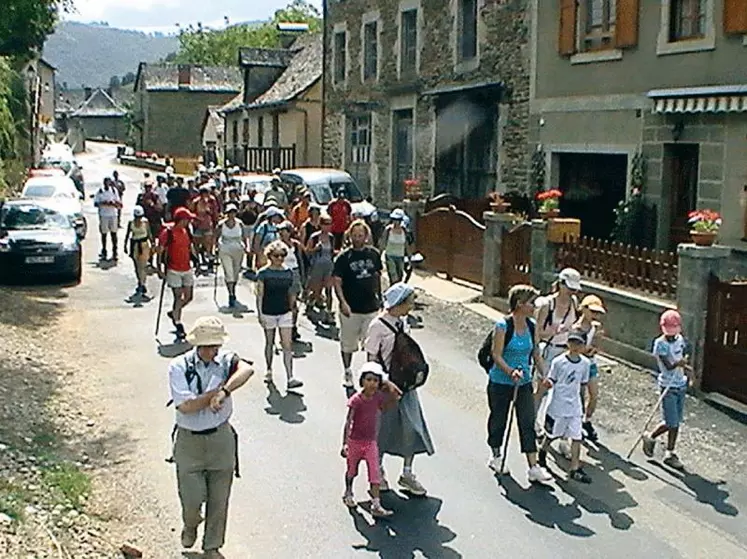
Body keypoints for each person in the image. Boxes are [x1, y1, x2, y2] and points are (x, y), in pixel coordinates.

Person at [168, 316, 254, 559]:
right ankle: (191, 524)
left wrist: (226, 391)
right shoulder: (179, 366)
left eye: (215, 345)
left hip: (220, 439)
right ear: (197, 345)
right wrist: (213, 395)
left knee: (220, 498)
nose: (211, 351)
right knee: (192, 498)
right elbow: (186, 405)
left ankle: (212, 546)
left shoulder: (226, 361)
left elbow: (247, 369)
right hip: (189, 441)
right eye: (207, 346)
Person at [365, 282, 432, 495]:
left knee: (412, 428)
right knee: (382, 430)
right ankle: (379, 470)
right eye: (409, 301)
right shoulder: (377, 326)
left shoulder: (403, 324)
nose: (412, 305)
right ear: (399, 303)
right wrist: (384, 383)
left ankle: (407, 473)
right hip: (386, 387)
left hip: (406, 386)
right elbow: (372, 359)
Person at [487, 284, 553, 483]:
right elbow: (496, 355)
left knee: (527, 421)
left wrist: (544, 375)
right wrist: (510, 371)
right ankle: (496, 454)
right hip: (500, 382)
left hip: (523, 383)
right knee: (499, 419)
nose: (534, 307)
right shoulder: (502, 326)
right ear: (520, 304)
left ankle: (533, 467)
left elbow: (535, 354)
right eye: (531, 303)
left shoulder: (532, 326)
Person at [536, 328, 592, 483]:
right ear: (567, 343)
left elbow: (582, 385)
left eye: (578, 343)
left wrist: (581, 405)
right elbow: (552, 380)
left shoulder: (585, 364)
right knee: (552, 434)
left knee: (576, 436)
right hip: (558, 405)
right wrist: (544, 386)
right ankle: (543, 451)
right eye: (572, 342)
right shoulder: (558, 362)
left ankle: (574, 468)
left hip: (574, 407)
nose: (575, 346)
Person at [341, 361, 397, 517]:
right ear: (362, 381)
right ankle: (348, 492)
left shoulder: (378, 398)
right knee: (352, 470)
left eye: (375, 380)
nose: (372, 384)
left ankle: (376, 504)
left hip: (371, 442)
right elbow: (348, 422)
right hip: (355, 441)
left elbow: (395, 397)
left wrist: (386, 383)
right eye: (369, 380)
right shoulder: (356, 400)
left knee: (375, 472)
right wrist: (345, 443)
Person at [333, 220, 383, 387]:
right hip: (351, 309)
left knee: (372, 344)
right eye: (354, 235)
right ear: (350, 236)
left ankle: (370, 375)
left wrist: (380, 297)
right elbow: (337, 282)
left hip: (371, 307)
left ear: (366, 236)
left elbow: (377, 276)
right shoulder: (343, 258)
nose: (357, 238)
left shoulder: (373, 255)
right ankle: (347, 370)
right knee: (348, 343)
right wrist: (342, 302)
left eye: (360, 235)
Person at [642, 310, 691, 471]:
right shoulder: (660, 344)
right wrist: (680, 363)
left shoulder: (680, 340)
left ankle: (665, 448)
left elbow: (685, 353)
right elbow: (668, 365)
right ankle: (658, 442)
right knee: (672, 421)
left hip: (680, 384)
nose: (671, 335)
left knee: (675, 421)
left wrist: (689, 372)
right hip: (667, 385)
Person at [535, 267, 581, 435]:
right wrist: (555, 331)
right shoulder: (548, 304)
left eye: (574, 288)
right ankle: (532, 421)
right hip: (549, 349)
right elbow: (538, 332)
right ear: (561, 284)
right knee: (542, 387)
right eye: (570, 287)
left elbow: (576, 324)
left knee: (561, 391)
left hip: (566, 352)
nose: (572, 291)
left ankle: (553, 426)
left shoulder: (575, 303)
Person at [256, 240, 303, 390]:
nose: (280, 258)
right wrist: (260, 313)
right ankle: (269, 370)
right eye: (276, 255)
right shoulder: (263, 273)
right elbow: (260, 295)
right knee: (269, 342)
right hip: (269, 311)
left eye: (282, 255)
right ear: (270, 256)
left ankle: (290, 377)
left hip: (285, 312)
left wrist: (293, 308)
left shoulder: (288, 272)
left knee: (287, 344)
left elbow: (291, 293)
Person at [157, 207, 198, 342]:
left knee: (189, 296)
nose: (189, 221)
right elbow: (160, 250)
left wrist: (195, 259)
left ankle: (174, 312)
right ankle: (178, 323)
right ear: (181, 220)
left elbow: (189, 246)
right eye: (187, 219)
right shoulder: (167, 233)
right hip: (173, 269)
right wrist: (159, 268)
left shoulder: (186, 231)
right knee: (178, 296)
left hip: (186, 267)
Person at [573, 295, 607, 442]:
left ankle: (587, 420)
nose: (595, 315)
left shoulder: (596, 328)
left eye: (597, 312)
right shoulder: (576, 328)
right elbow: (576, 349)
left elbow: (597, 348)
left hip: (591, 364)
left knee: (594, 395)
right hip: (579, 364)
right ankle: (578, 423)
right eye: (592, 311)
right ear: (584, 309)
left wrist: (596, 343)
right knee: (579, 396)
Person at [216, 203, 249, 308]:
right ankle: (230, 294)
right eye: (230, 212)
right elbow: (216, 237)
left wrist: (247, 247)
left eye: (233, 212)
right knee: (228, 271)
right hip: (225, 248)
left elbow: (244, 237)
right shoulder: (221, 224)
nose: (232, 214)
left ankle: (233, 290)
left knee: (235, 272)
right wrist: (215, 248)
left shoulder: (240, 224)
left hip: (238, 249)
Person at [277, 221, 305, 341]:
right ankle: (285, 327)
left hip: (294, 273)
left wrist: (304, 278)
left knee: (293, 304)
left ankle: (292, 327)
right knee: (284, 303)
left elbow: (302, 261)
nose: (282, 234)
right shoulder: (276, 246)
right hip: (281, 274)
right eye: (281, 231)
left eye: (284, 231)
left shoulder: (296, 245)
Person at [305, 213, 335, 321]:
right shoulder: (315, 237)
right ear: (321, 225)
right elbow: (307, 251)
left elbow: (332, 252)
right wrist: (315, 249)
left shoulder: (331, 238)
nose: (328, 226)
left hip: (329, 266)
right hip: (317, 265)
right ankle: (311, 301)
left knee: (328, 289)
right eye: (325, 224)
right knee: (317, 290)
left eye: (329, 224)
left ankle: (329, 313)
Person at [123, 206, 152, 296]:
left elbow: (149, 234)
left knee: (143, 266)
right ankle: (140, 281)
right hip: (135, 245)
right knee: (137, 266)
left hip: (144, 245)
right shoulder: (131, 223)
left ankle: (142, 283)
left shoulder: (145, 222)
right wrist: (125, 246)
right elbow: (128, 234)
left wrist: (153, 244)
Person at [191, 185, 220, 271]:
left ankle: (210, 263)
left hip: (208, 225)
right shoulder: (196, 201)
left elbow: (215, 212)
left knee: (209, 244)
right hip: (198, 225)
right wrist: (195, 219)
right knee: (196, 245)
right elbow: (192, 211)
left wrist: (215, 221)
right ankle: (198, 262)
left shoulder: (212, 200)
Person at [93, 178, 122, 261]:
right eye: (105, 182)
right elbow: (95, 203)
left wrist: (113, 203)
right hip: (104, 215)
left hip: (113, 214)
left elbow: (119, 203)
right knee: (104, 234)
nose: (107, 184)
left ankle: (115, 251)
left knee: (114, 233)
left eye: (108, 182)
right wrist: (104, 203)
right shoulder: (100, 191)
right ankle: (104, 250)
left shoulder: (113, 191)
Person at [379, 208, 410, 285]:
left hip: (400, 256)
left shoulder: (404, 231)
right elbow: (383, 243)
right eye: (395, 220)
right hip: (390, 256)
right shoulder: (388, 230)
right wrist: (379, 255)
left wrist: (409, 256)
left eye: (398, 220)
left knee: (400, 277)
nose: (396, 222)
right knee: (394, 276)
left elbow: (406, 244)